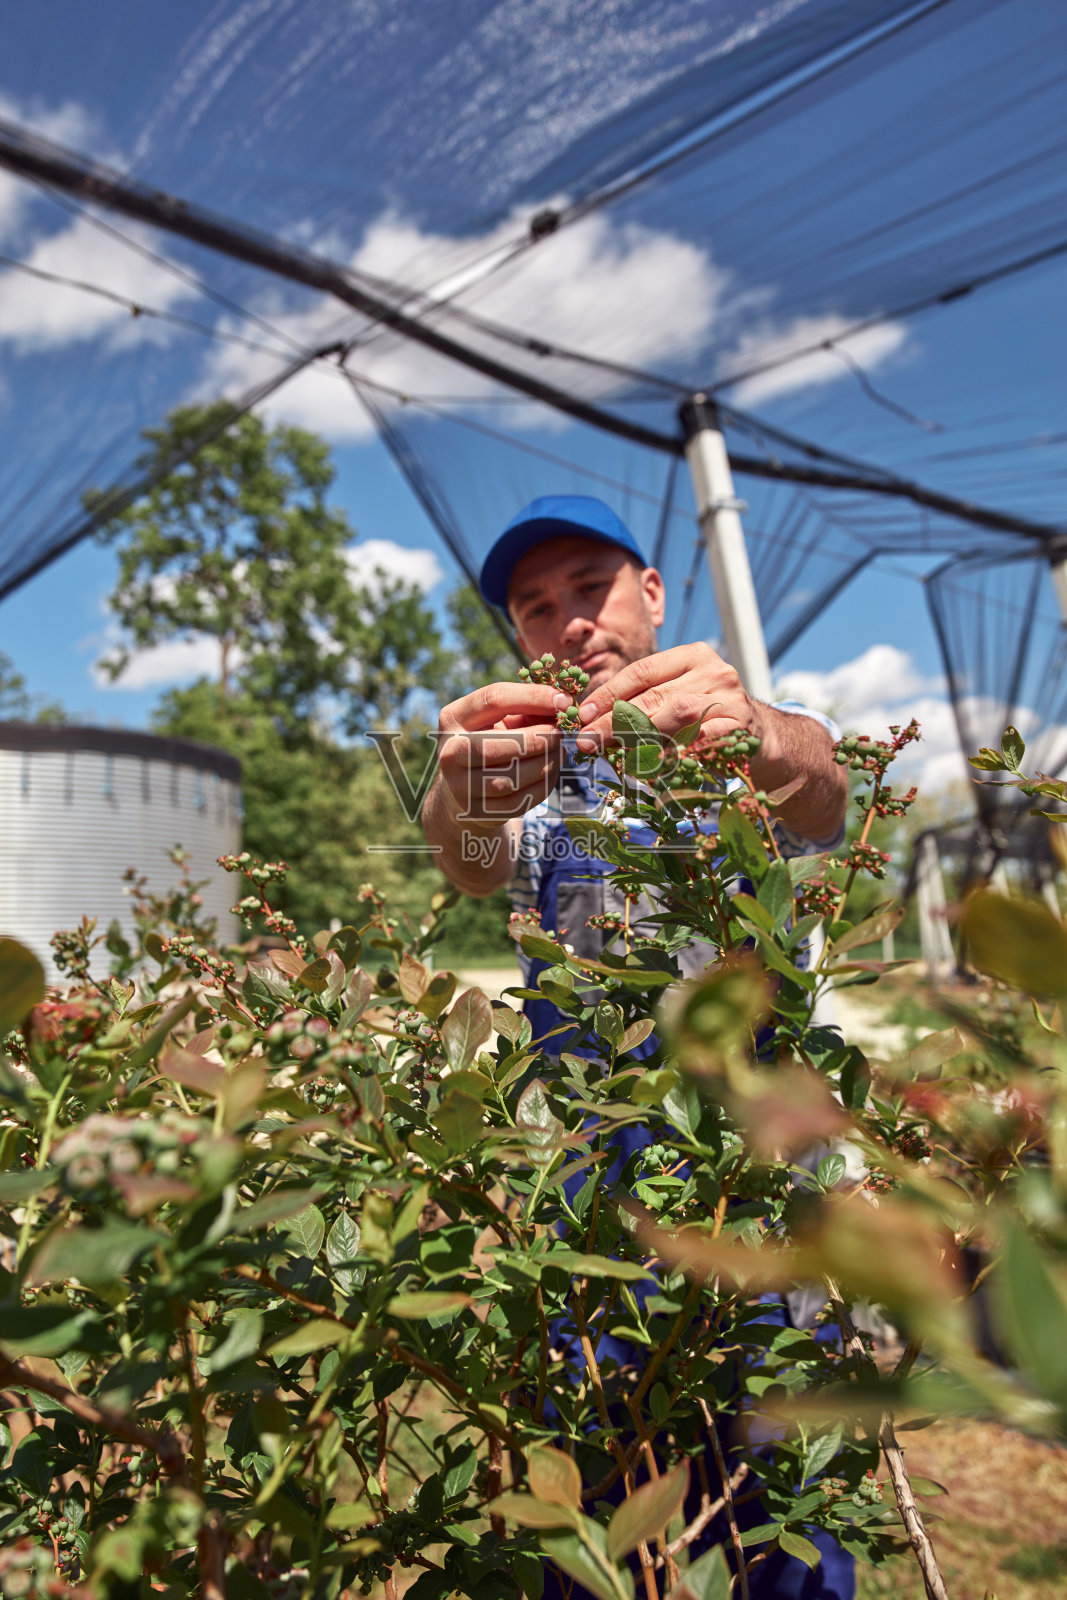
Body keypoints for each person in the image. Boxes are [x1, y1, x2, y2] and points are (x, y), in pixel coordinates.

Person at [421, 495, 854, 1599]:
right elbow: (468, 857)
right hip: (592, 1208)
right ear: (517, 636)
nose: (567, 622)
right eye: (535, 605)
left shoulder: (739, 727)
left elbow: (822, 789)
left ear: (650, 592)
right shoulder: (526, 774)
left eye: (589, 588)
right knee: (606, 1504)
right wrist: (452, 791)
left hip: (750, 1192)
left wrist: (757, 730)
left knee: (777, 1515)